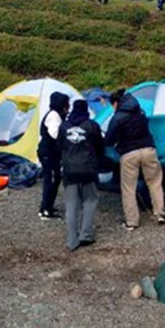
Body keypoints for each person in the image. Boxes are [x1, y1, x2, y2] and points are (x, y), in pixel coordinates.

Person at [104, 90, 165, 230]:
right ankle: (160, 214)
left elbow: (109, 140)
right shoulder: (140, 112)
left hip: (129, 154)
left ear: (116, 103)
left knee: (128, 188)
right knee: (154, 182)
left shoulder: (117, 117)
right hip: (149, 150)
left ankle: (132, 222)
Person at [58, 99, 103, 251]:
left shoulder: (64, 126)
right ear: (86, 111)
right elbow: (99, 146)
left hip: (70, 170)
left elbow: (59, 146)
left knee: (71, 205)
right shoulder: (92, 126)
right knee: (90, 201)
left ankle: (72, 240)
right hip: (88, 169)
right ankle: (86, 234)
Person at [37, 92, 70, 220]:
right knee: (50, 180)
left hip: (50, 153)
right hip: (48, 153)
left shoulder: (55, 114)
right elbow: (55, 134)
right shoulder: (54, 116)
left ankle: (47, 206)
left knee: (54, 179)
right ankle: (45, 210)